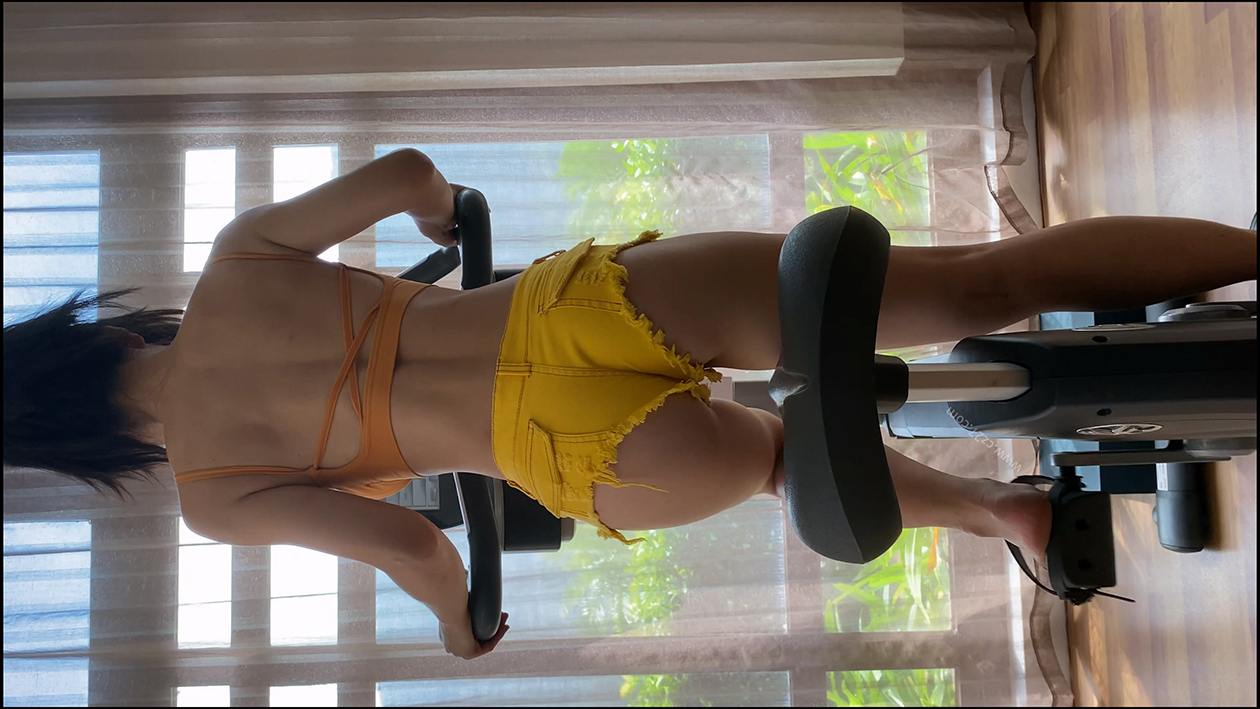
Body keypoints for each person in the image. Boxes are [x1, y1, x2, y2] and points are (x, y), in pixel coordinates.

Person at [4, 148, 1256, 660]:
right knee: (980, 281)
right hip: (568, 314)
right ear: (81, 332)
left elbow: (413, 545)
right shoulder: (234, 264)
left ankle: (1008, 517)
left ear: (81, 448)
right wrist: (439, 216)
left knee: (783, 457)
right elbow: (406, 175)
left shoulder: (215, 496)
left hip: (571, 450)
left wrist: (457, 627)